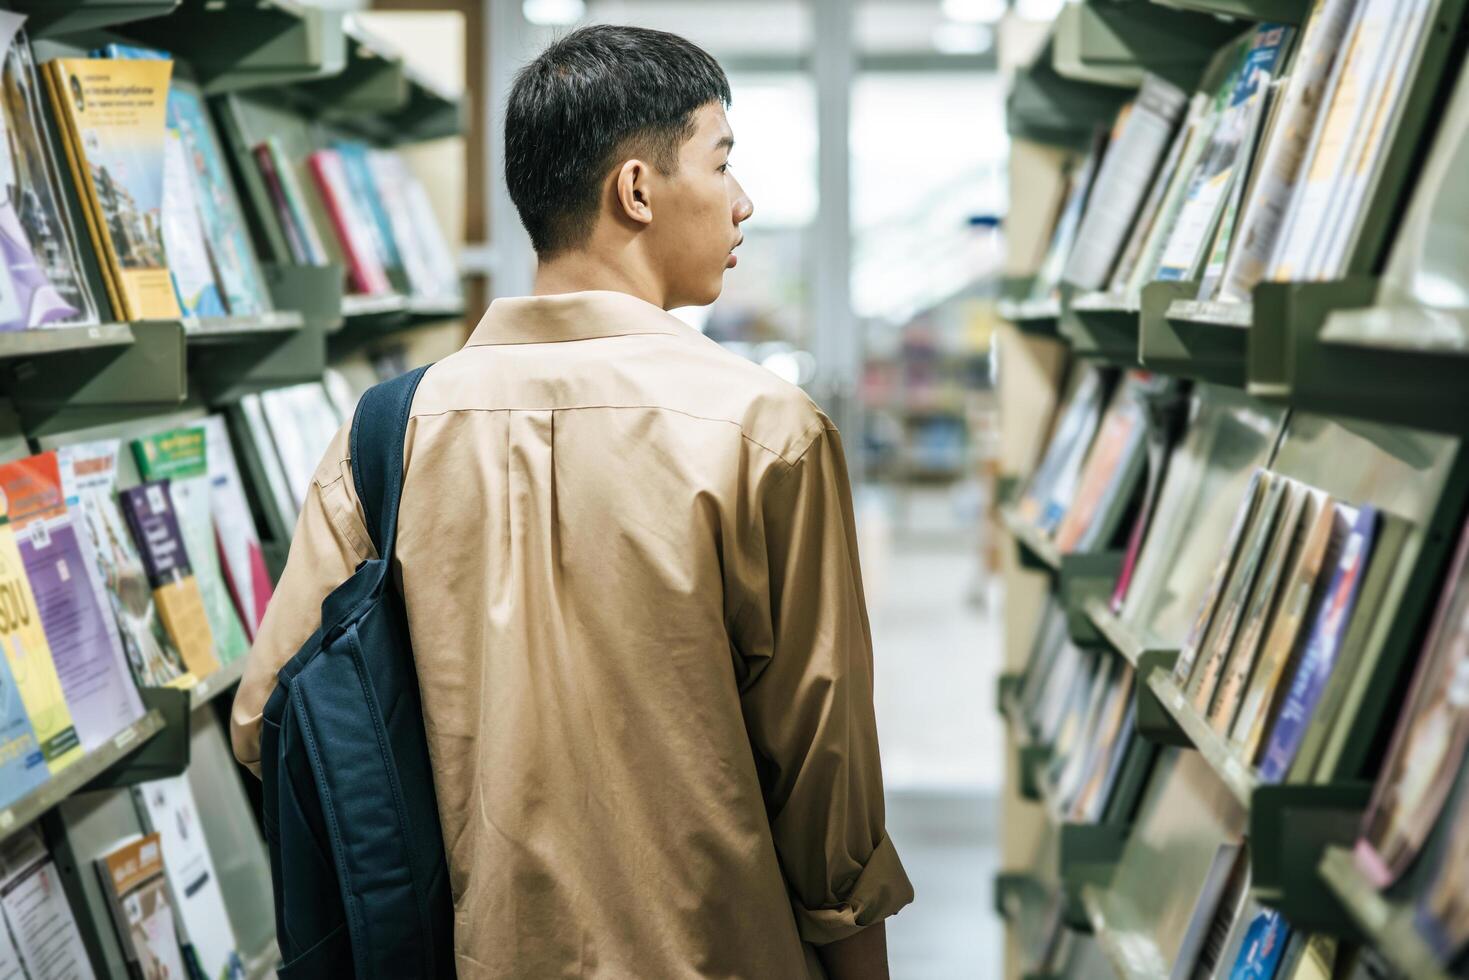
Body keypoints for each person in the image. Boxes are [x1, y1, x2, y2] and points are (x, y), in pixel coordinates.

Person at [231, 24, 912, 980]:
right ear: (636, 190)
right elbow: (823, 784)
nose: (742, 201)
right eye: (722, 164)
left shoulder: (388, 430)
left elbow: (268, 718)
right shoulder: (763, 430)